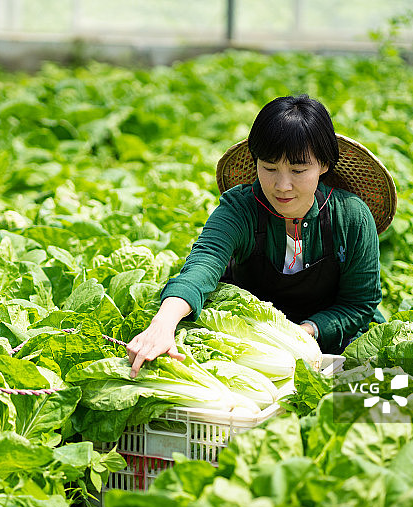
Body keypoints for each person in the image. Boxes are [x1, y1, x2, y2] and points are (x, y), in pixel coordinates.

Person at [126, 95, 396, 378]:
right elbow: (204, 263)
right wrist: (163, 324)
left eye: (298, 170)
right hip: (253, 343)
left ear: (325, 165)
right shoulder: (240, 208)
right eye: (269, 168)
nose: (282, 185)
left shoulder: (352, 216)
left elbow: (358, 305)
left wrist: (302, 333)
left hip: (333, 340)